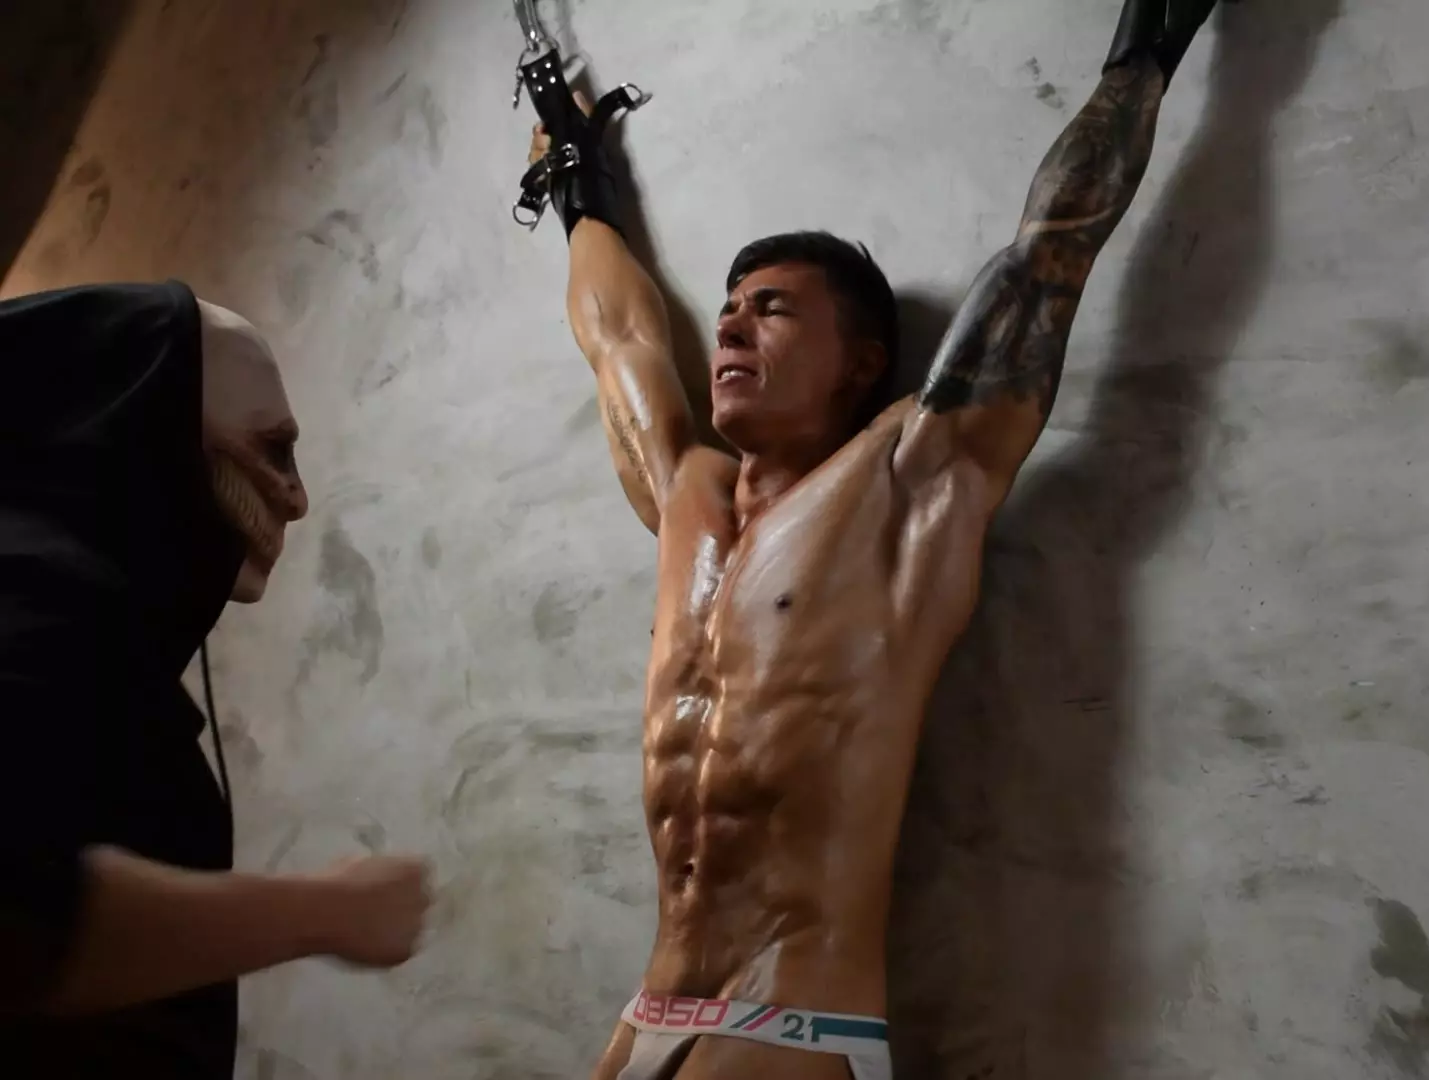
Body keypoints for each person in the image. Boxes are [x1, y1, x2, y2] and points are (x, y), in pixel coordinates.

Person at [514, 1, 1222, 1076]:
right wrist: (578, 182)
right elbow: (617, 336)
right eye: (729, 307)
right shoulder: (689, 494)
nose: (732, 323)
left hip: (789, 1016)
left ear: (861, 360)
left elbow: (1047, 258)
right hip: (651, 1008)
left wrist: (1142, 61)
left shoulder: (911, 482)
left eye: (772, 309)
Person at [0, 281, 433, 1077]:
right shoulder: (34, 590)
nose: (297, 499)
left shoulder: (90, 625)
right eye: (274, 450)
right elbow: (19, 905)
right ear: (152, 432)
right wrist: (326, 912)